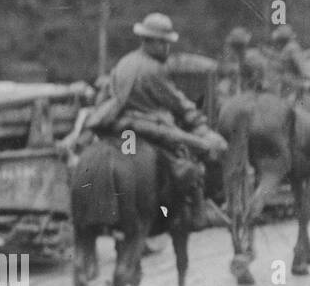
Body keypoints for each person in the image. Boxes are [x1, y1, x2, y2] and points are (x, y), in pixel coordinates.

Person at [86, 13, 225, 228]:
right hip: (149, 127)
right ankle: (198, 211)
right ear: (154, 42)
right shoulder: (154, 69)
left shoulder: (124, 62)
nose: (167, 49)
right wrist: (200, 126)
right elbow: (176, 101)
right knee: (195, 158)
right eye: (165, 44)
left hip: (116, 127)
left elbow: (107, 95)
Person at [266, 25, 310, 98]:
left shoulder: (292, 48)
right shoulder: (287, 48)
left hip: (292, 81)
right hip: (287, 81)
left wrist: (306, 77)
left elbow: (299, 63)